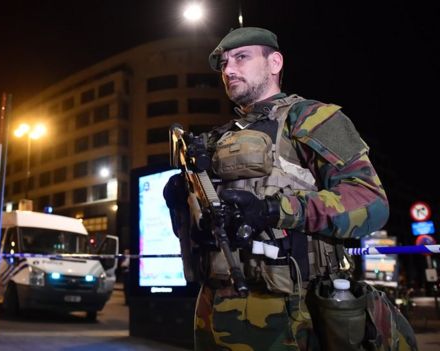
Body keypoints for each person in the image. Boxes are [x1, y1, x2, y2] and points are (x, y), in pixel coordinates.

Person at [163, 27, 412, 350]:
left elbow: (370, 203)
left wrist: (273, 210)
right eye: (223, 64)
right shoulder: (217, 139)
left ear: (275, 63)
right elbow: (201, 231)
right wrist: (182, 202)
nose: (228, 70)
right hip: (215, 313)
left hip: (292, 315)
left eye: (241, 58)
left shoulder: (311, 119)